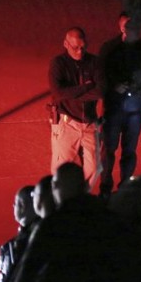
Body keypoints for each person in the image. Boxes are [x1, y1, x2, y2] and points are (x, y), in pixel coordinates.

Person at [98, 13, 141, 198]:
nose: (134, 32)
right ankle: (106, 186)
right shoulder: (111, 49)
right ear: (122, 29)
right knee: (109, 148)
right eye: (130, 28)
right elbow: (101, 74)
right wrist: (112, 87)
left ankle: (124, 186)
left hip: (134, 106)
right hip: (115, 105)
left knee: (129, 150)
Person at [48, 27, 105, 192]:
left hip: (89, 123)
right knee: (62, 169)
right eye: (75, 47)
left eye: (83, 47)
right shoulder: (58, 63)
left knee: (95, 168)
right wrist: (86, 87)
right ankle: (62, 203)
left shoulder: (94, 62)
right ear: (65, 44)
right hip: (67, 123)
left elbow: (100, 91)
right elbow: (58, 93)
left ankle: (79, 197)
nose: (80, 51)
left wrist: (72, 93)